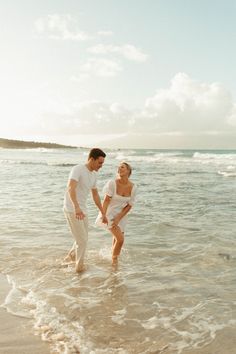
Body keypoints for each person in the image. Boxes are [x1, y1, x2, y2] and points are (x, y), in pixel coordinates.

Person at [63, 148, 107, 272]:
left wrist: (103, 212)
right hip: (72, 208)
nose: (101, 166)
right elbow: (70, 188)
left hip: (83, 209)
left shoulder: (94, 175)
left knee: (82, 239)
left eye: (102, 163)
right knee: (82, 241)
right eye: (100, 163)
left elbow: (95, 195)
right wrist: (76, 207)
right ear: (91, 159)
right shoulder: (78, 169)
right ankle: (79, 269)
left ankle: (69, 259)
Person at [95, 162, 137, 266]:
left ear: (128, 171)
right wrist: (103, 215)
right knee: (120, 240)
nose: (119, 169)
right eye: (118, 167)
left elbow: (130, 205)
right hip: (108, 213)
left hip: (121, 215)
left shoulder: (133, 187)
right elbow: (106, 201)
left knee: (116, 239)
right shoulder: (112, 183)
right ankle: (114, 263)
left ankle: (112, 257)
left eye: (122, 167)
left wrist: (119, 217)